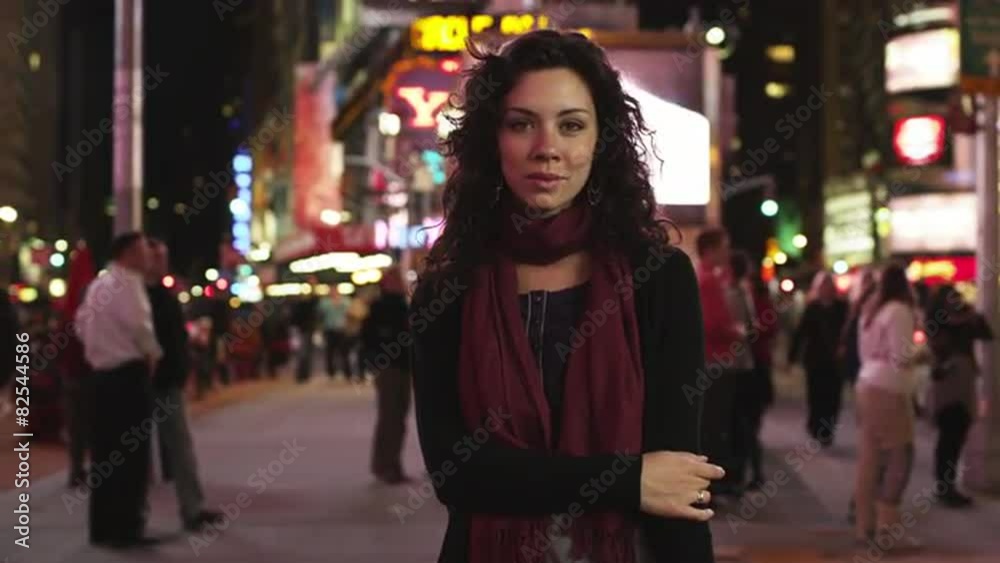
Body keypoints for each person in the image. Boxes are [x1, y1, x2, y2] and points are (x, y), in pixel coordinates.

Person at [410, 30, 723, 563]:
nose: (546, 148)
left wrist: (519, 476)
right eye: (521, 124)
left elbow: (673, 481)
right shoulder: (448, 289)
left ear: (601, 141)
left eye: (571, 125)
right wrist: (629, 479)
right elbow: (457, 474)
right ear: (492, 139)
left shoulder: (658, 277)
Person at [74, 232, 162, 548]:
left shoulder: (99, 284)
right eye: (143, 250)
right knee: (131, 457)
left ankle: (103, 527)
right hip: (127, 376)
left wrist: (98, 351)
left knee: (104, 456)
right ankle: (127, 528)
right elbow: (141, 327)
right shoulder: (129, 283)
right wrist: (152, 355)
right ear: (127, 253)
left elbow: (81, 324)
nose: (149, 257)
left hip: (101, 378)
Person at [145, 239, 225, 531]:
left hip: (169, 380)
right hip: (148, 380)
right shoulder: (138, 294)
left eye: (164, 257)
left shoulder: (164, 294)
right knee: (148, 449)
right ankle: (140, 513)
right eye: (156, 257)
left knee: (180, 445)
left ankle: (192, 508)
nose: (161, 262)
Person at [853, 263, 921, 546]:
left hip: (867, 383)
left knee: (870, 458)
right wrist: (924, 351)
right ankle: (888, 528)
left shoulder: (871, 311)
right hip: (889, 388)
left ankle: (865, 524)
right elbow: (901, 355)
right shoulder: (899, 311)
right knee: (900, 456)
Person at [926, 284, 993, 508]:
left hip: (962, 381)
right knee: (949, 436)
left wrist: (971, 314)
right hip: (948, 381)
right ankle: (945, 486)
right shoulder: (938, 320)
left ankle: (946, 484)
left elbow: (987, 333)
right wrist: (964, 318)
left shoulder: (966, 318)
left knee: (956, 434)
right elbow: (938, 340)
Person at [695, 228, 745, 499]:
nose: (727, 252)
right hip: (717, 362)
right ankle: (712, 487)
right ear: (711, 250)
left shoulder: (706, 277)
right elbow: (713, 323)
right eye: (724, 247)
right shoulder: (708, 281)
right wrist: (737, 331)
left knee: (711, 427)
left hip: (711, 361)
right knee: (715, 428)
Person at [362, 268, 412, 484]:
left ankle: (391, 464)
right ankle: (386, 465)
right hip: (392, 367)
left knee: (397, 417)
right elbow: (370, 337)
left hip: (401, 366)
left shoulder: (399, 305)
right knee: (391, 417)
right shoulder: (385, 307)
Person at [732, 251, 776, 491]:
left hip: (750, 364)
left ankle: (747, 472)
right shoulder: (753, 293)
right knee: (749, 422)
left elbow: (764, 328)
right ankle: (751, 471)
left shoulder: (746, 293)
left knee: (745, 421)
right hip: (755, 363)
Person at [789, 271, 848, 446]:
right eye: (823, 286)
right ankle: (815, 425)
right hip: (815, 360)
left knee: (833, 397)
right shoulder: (812, 307)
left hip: (835, 361)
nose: (827, 289)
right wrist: (792, 356)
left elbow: (849, 333)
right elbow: (801, 333)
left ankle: (827, 430)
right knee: (816, 395)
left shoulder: (842, 308)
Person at [319, 293, 350, 379]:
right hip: (330, 329)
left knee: (344, 352)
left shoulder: (345, 300)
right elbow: (321, 311)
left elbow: (349, 310)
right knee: (330, 352)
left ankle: (347, 372)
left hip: (342, 329)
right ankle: (331, 373)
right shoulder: (325, 302)